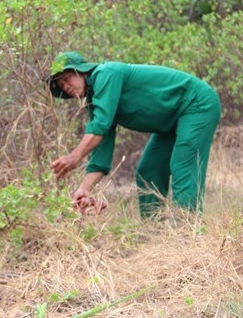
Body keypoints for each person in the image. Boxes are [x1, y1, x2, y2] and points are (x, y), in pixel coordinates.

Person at [48, 51, 221, 217]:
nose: (66, 86)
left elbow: (100, 125)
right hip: (172, 121)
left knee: (183, 164)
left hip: (196, 104)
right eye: (62, 85)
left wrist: (74, 156)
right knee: (148, 171)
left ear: (81, 70)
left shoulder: (106, 73)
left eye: (67, 78)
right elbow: (100, 157)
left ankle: (187, 233)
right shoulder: (97, 104)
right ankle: (155, 232)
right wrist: (84, 189)